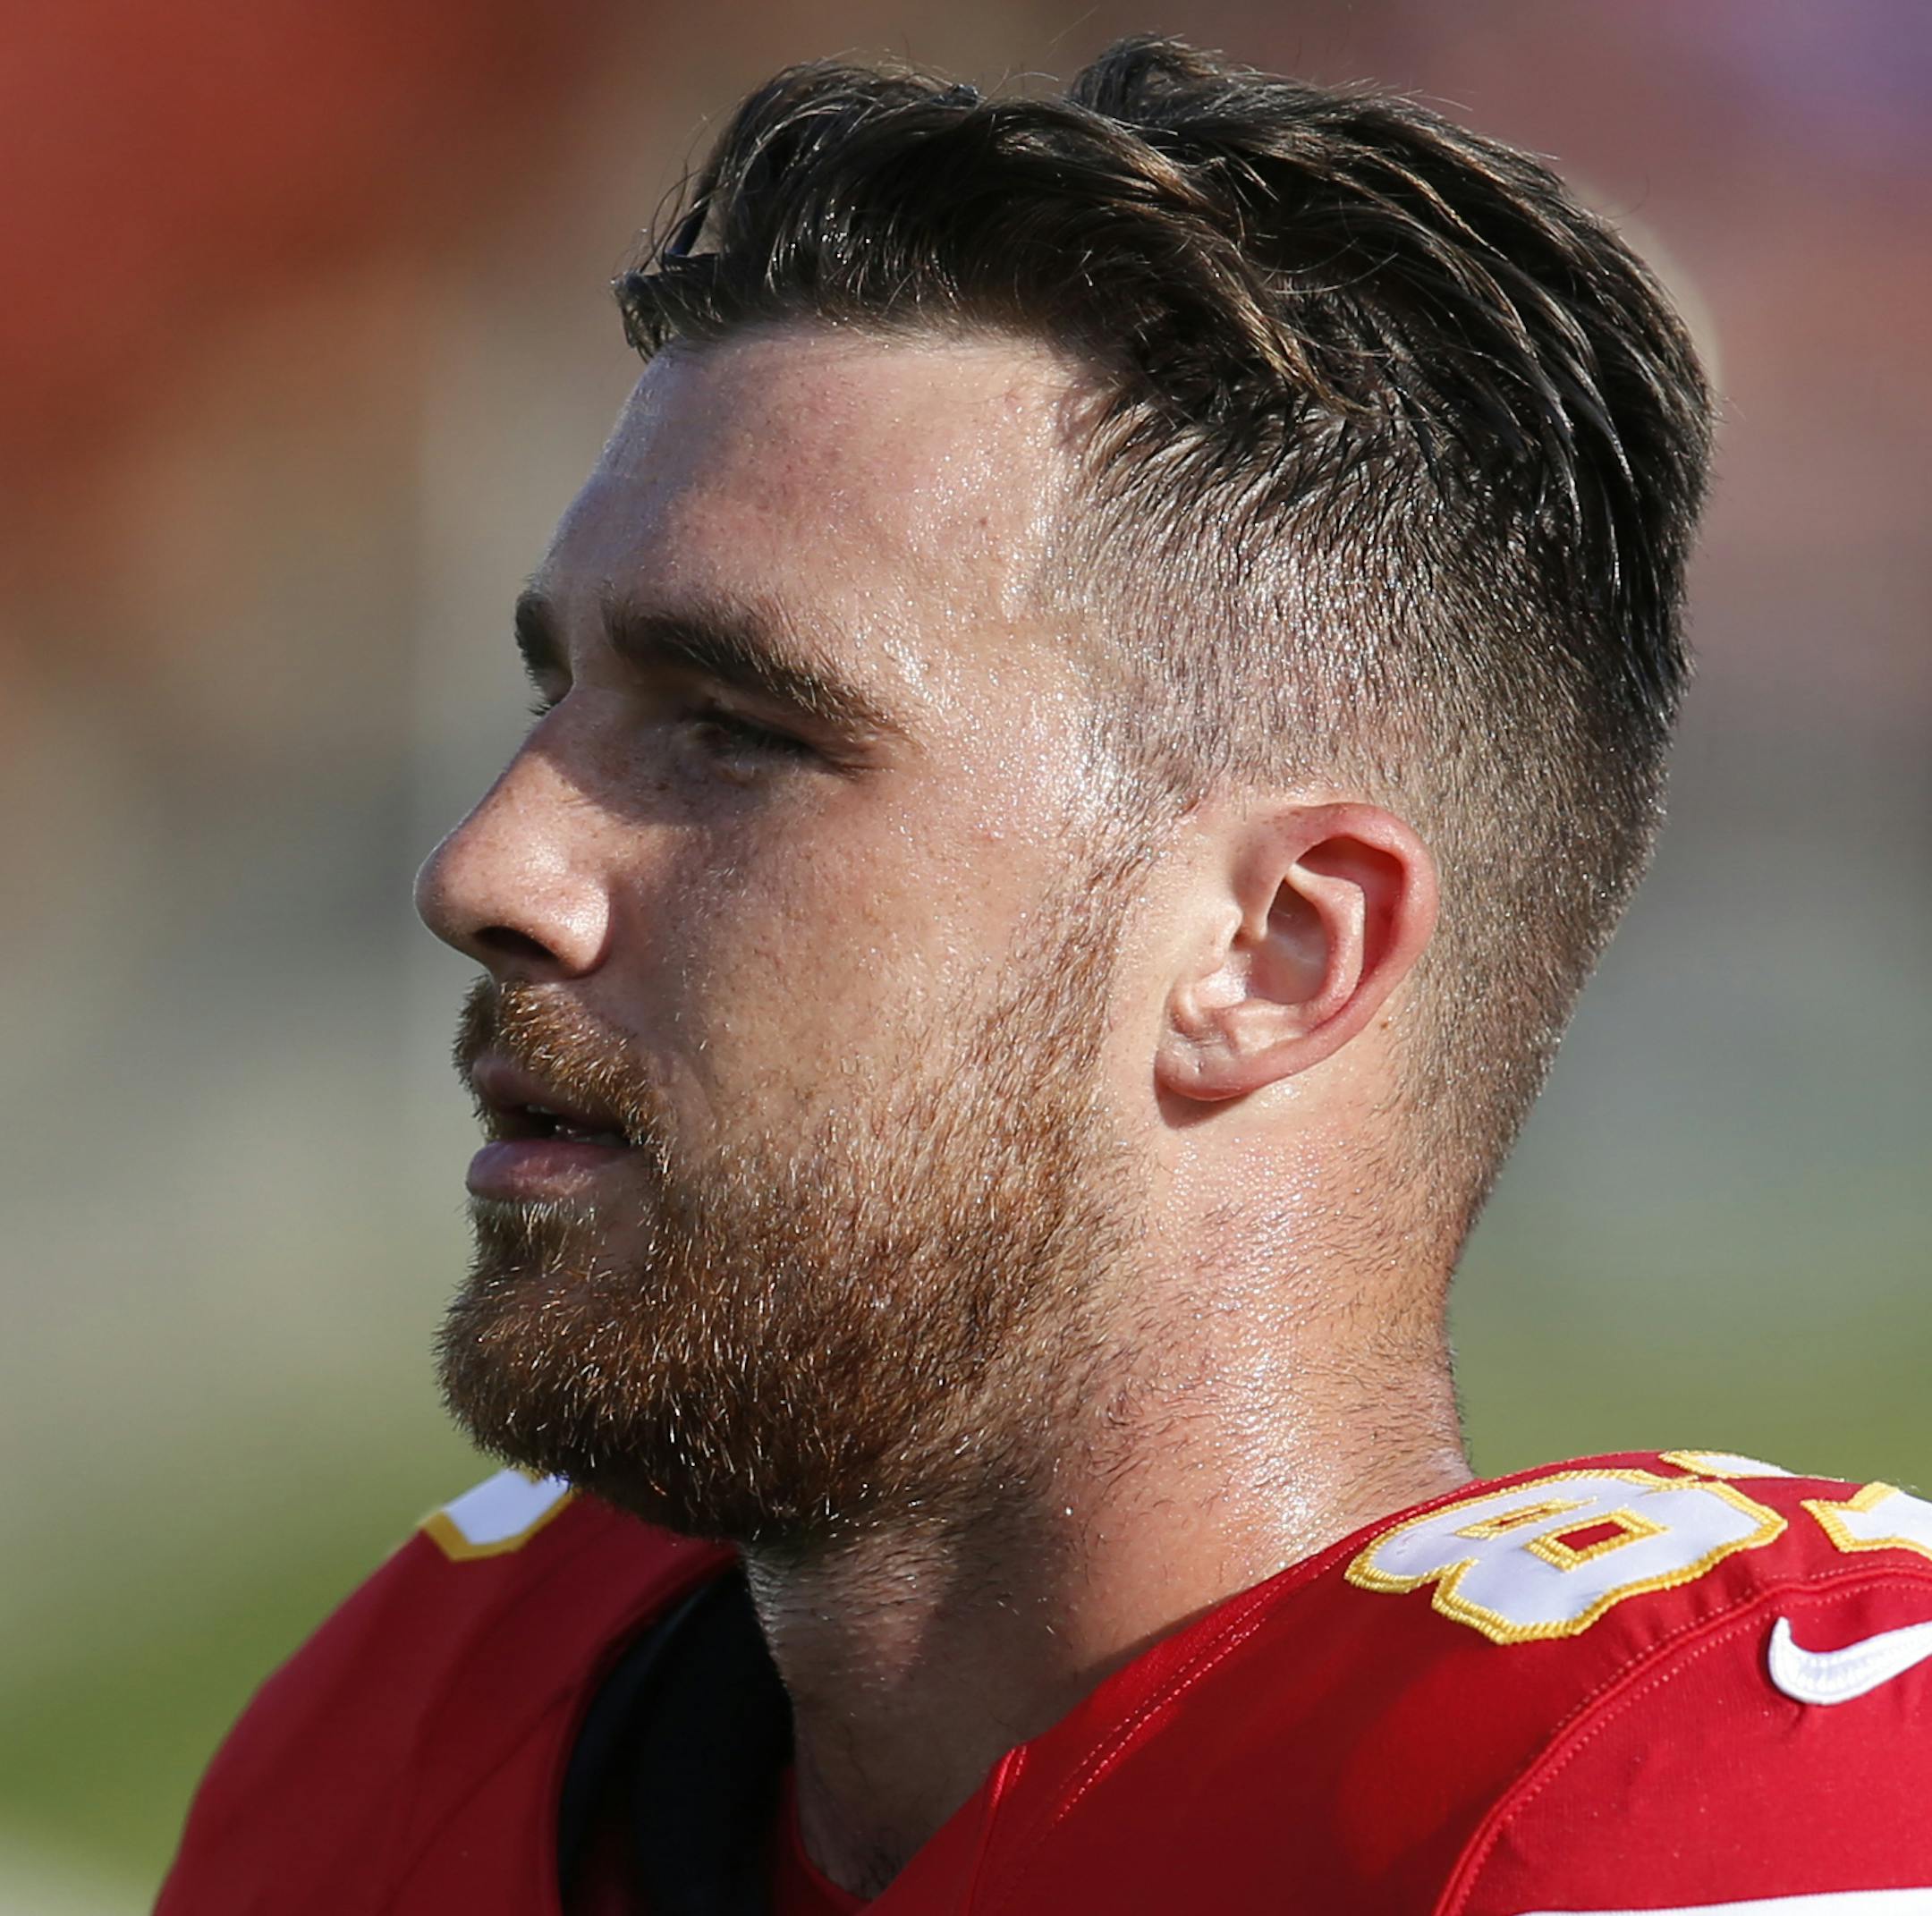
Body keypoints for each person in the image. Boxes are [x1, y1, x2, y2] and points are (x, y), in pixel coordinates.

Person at [158, 37, 1932, 1915]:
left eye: (737, 732)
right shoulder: (426, 1737)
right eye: (559, 697)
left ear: (1273, 950)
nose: (487, 870)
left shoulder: (1674, 1819)